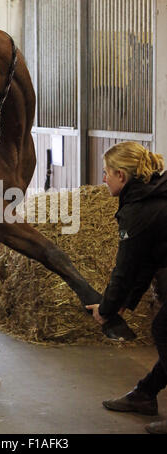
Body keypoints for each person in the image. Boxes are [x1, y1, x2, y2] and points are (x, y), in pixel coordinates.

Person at [86, 141, 167, 435]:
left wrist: (106, 310)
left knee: (164, 330)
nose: (103, 178)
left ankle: (145, 394)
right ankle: (145, 394)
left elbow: (124, 269)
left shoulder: (139, 211)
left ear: (121, 175)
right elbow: (148, 261)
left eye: (106, 172)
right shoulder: (153, 195)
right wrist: (123, 304)